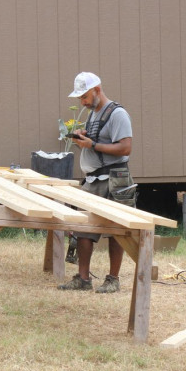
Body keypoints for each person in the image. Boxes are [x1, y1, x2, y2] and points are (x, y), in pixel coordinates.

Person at [59, 72, 136, 294]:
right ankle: (83, 279)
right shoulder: (94, 114)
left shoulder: (118, 114)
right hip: (93, 179)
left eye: (84, 96)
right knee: (84, 229)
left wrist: (92, 145)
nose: (82, 102)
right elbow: (97, 141)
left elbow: (125, 148)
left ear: (97, 90)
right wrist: (83, 138)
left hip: (115, 178)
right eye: (79, 98)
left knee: (116, 231)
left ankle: (113, 280)